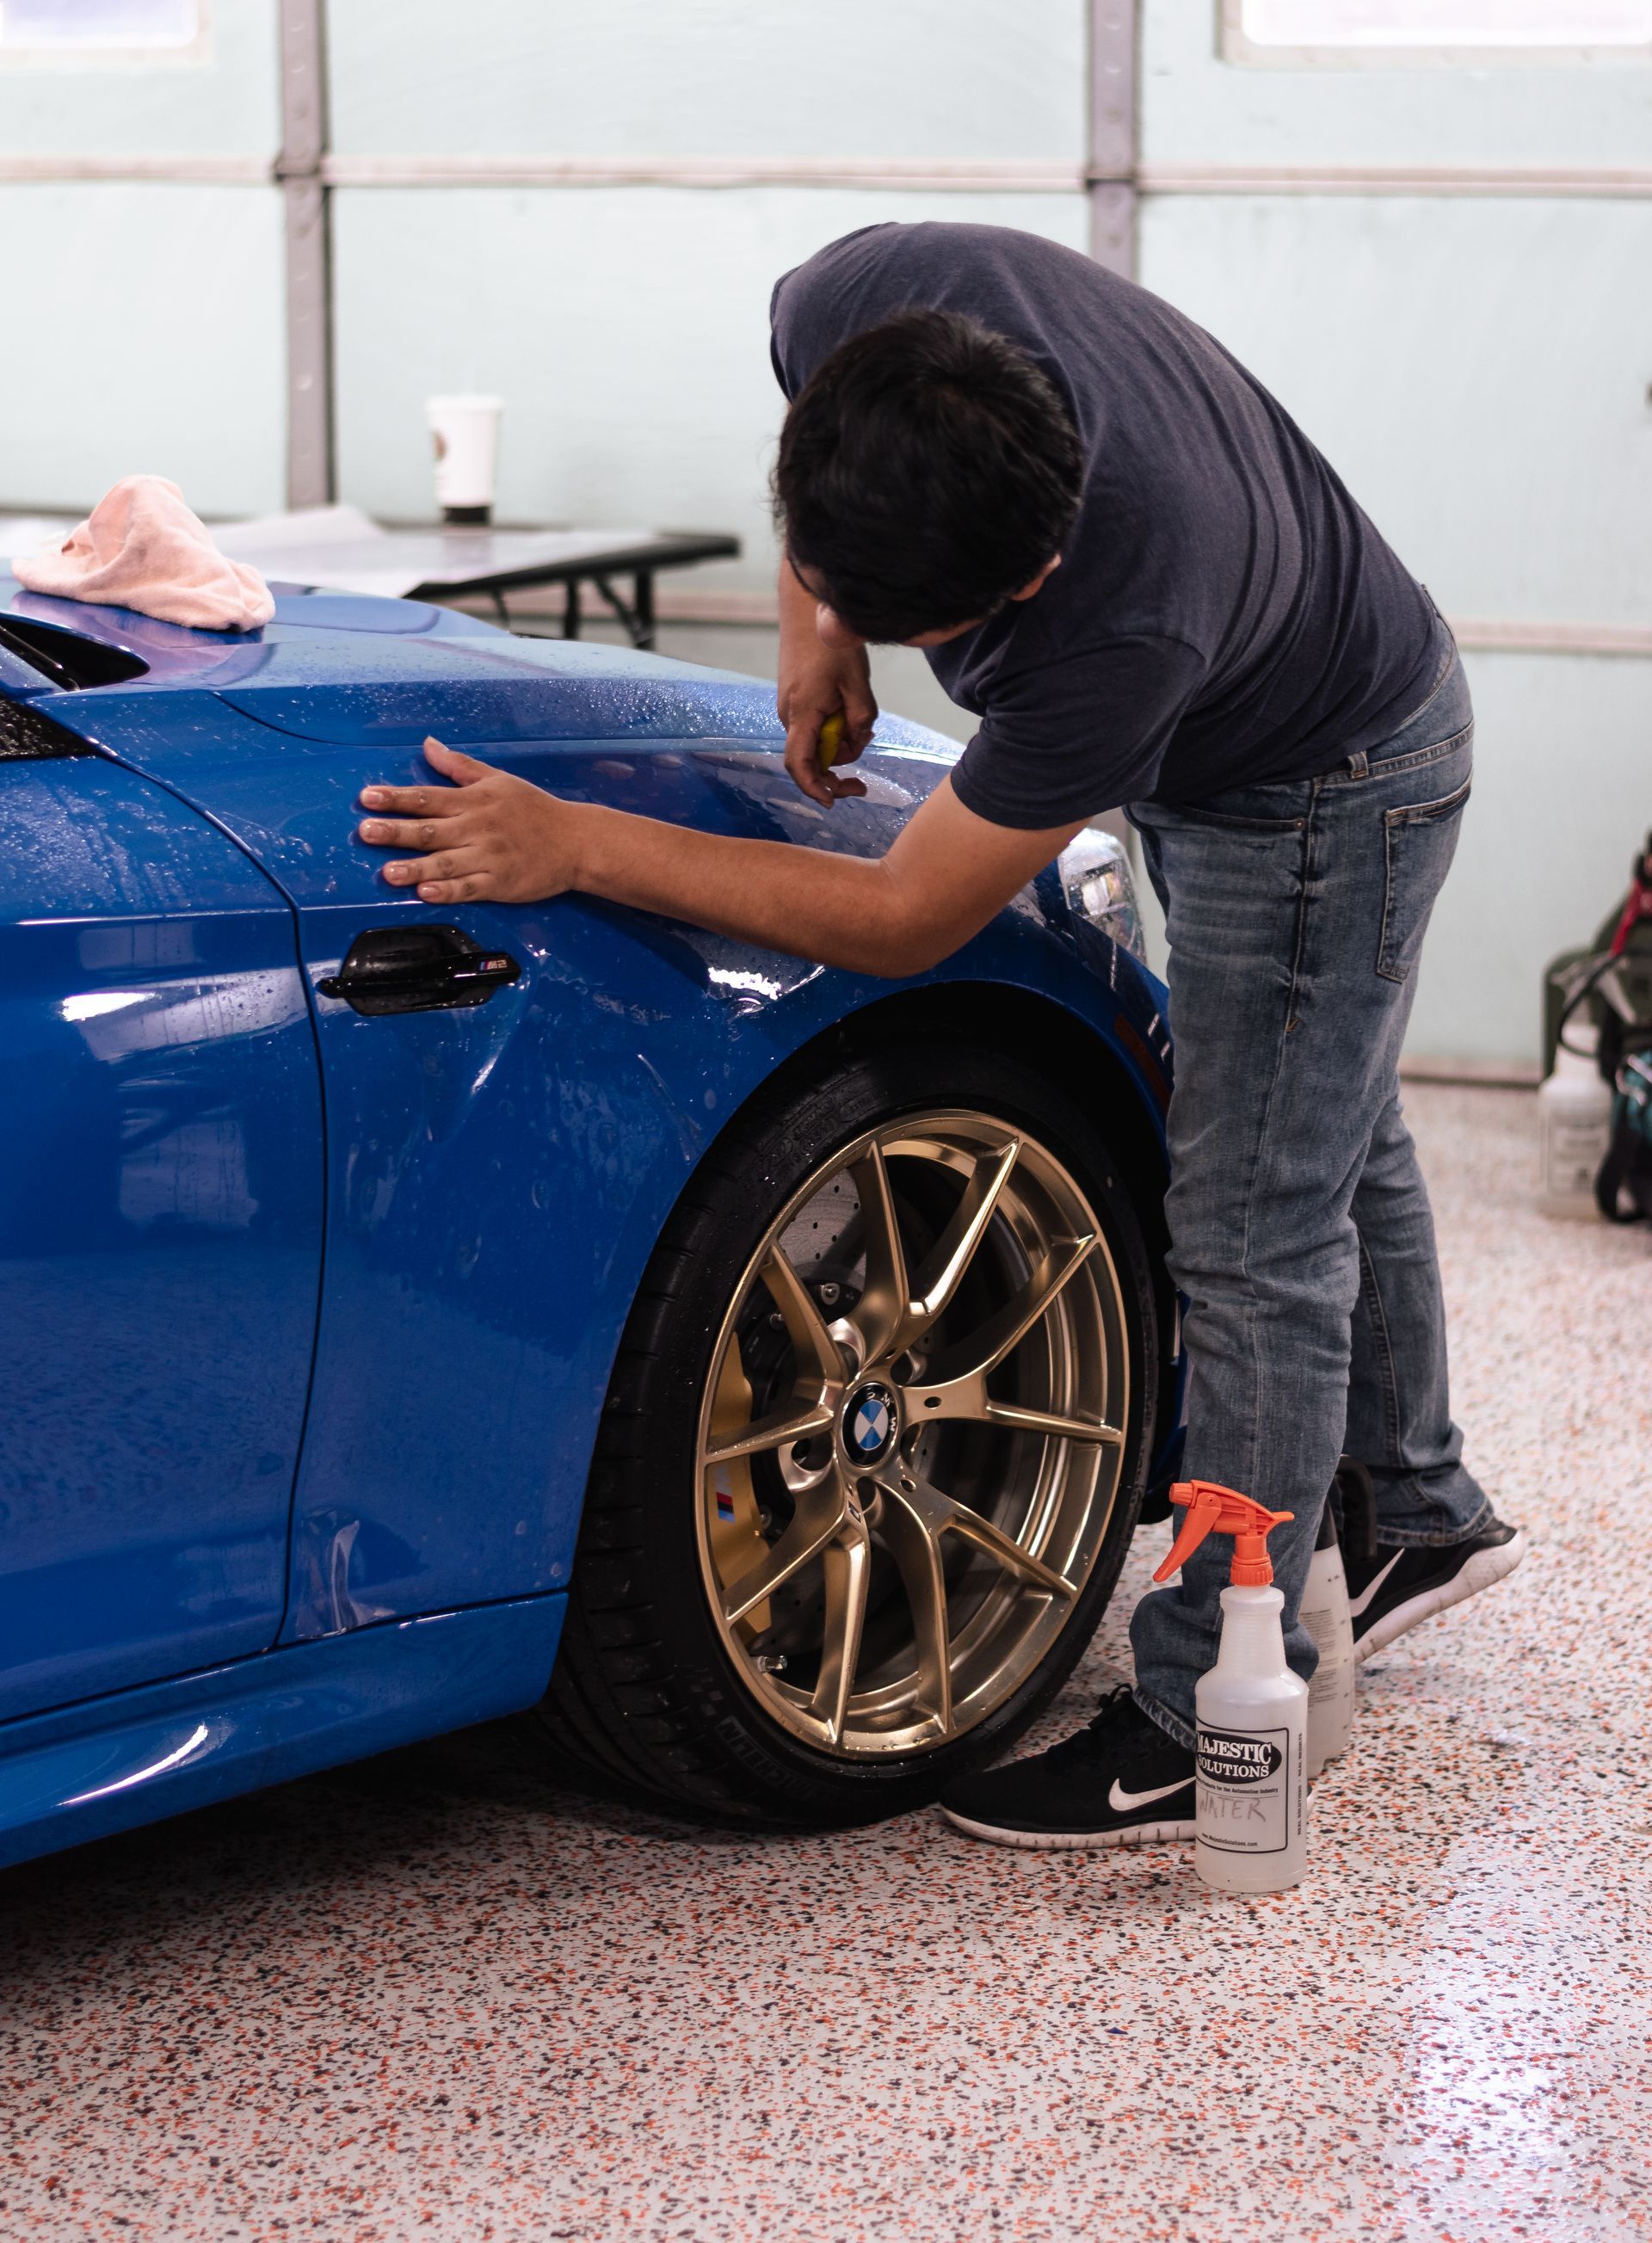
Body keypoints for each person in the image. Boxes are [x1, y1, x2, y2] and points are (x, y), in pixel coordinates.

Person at [356, 221, 1524, 1848]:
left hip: (1323, 779)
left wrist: (580, 847)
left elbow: (907, 918)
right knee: (1320, 1122)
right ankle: (1414, 1507)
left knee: (1255, 1219)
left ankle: (1211, 1708)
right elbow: (804, 436)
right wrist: (816, 621)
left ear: (1048, 556)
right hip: (1269, 702)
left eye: (998, 608)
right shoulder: (854, 298)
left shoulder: (1125, 608)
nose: (997, 626)